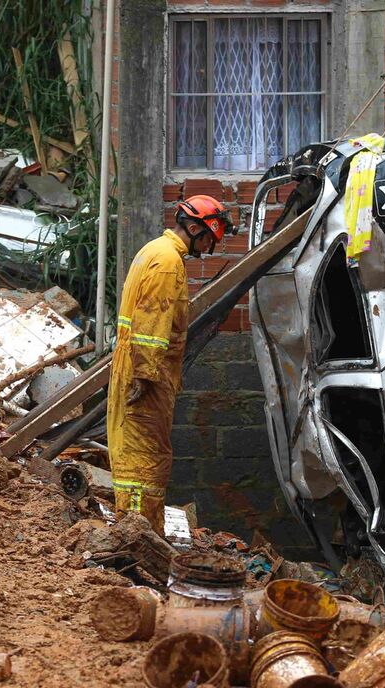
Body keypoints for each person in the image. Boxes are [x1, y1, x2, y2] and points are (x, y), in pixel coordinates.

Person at [106, 195, 233, 534]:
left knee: (139, 454)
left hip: (136, 369)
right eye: (208, 239)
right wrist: (146, 376)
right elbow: (151, 325)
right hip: (145, 376)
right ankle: (136, 534)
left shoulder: (154, 251)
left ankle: (139, 529)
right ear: (194, 228)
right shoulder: (167, 263)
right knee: (144, 460)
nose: (208, 249)